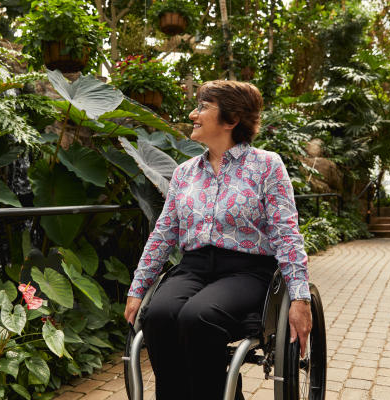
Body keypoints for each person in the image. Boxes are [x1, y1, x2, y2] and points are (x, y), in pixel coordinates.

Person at [124, 80, 312, 400]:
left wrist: (300, 297)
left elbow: (286, 233)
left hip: (247, 270)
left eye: (203, 107)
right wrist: (137, 288)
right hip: (194, 266)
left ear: (232, 118)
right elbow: (164, 233)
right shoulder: (185, 172)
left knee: (198, 317)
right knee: (157, 315)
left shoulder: (266, 166)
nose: (193, 113)